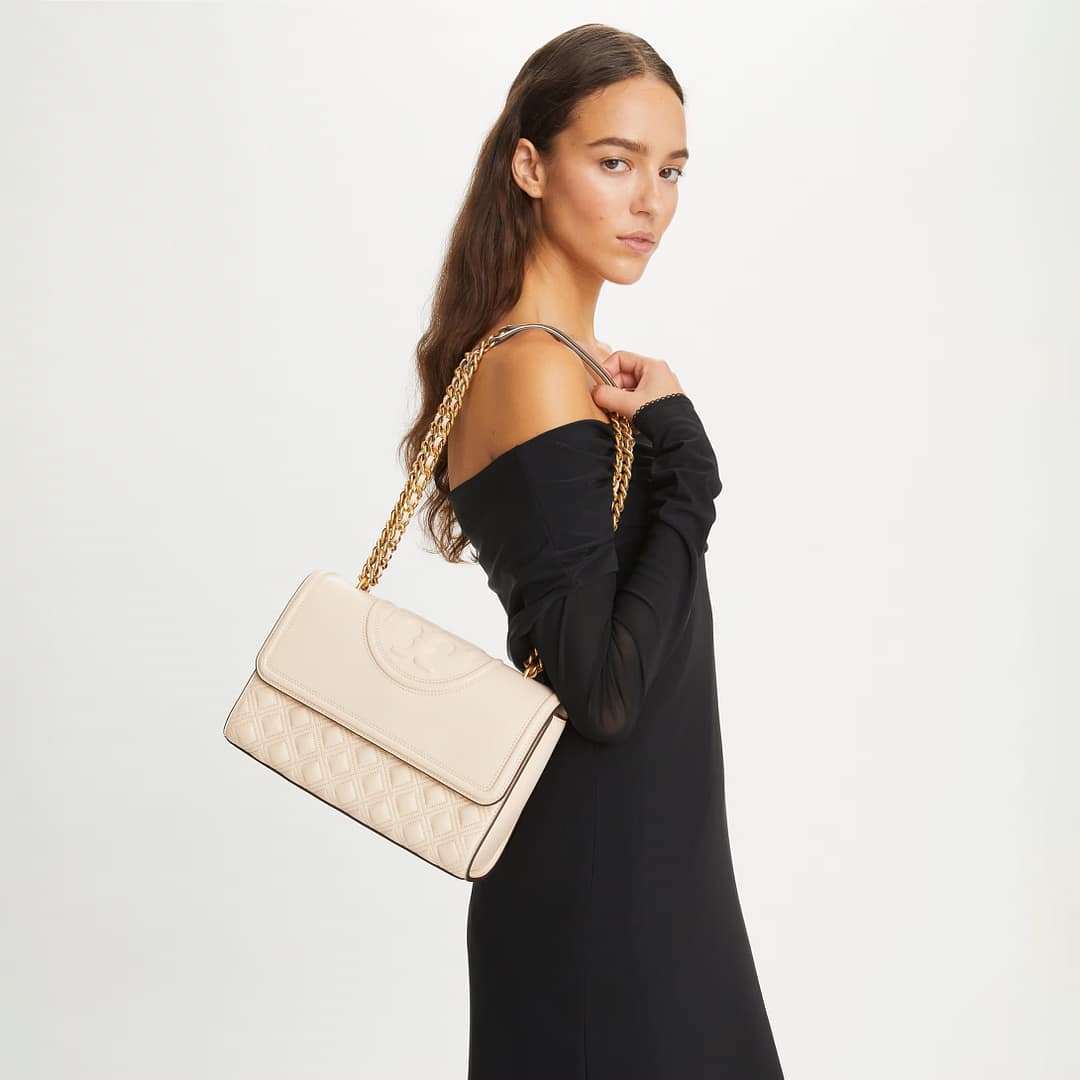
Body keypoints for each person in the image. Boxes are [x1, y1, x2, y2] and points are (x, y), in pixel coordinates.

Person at [398, 23, 786, 1080]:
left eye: (670, 171)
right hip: (607, 891)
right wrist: (690, 470)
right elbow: (604, 690)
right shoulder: (529, 371)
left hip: (651, 865)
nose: (650, 202)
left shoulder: (571, 368)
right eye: (614, 163)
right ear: (530, 165)